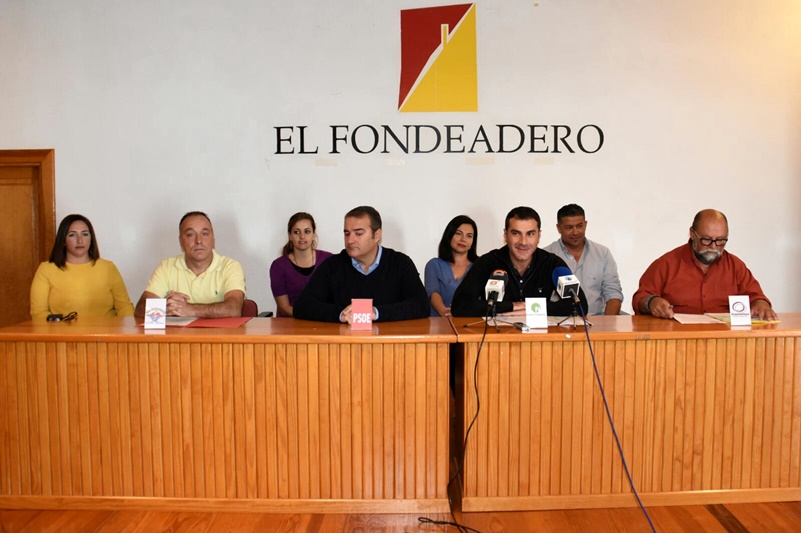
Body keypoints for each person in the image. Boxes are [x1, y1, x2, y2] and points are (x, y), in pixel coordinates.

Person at [632, 209, 777, 320]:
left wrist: (761, 304)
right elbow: (641, 297)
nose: (713, 246)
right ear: (692, 234)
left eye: (720, 241)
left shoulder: (735, 266)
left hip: (725, 339)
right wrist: (652, 302)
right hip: (678, 338)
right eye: (707, 240)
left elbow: (756, 296)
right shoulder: (667, 264)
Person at [293, 206, 429, 323]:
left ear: (377, 235)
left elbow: (421, 305)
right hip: (344, 343)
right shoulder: (332, 265)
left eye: (358, 234)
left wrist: (375, 313)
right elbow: (302, 306)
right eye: (347, 234)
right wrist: (341, 314)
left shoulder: (400, 263)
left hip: (388, 342)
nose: (350, 240)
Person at [451, 206, 587, 317]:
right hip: (497, 338)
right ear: (505, 235)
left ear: (539, 236)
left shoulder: (551, 263)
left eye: (530, 234)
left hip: (539, 338)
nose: (523, 242)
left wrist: (533, 309)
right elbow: (460, 305)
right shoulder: (488, 262)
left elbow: (580, 305)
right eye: (516, 233)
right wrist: (511, 306)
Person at [134, 211, 246, 318]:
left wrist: (190, 310)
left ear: (213, 239)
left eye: (205, 234)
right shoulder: (166, 267)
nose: (199, 241)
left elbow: (234, 309)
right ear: (181, 241)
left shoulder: (230, 266)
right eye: (190, 235)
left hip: (221, 332)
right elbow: (139, 309)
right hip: (179, 332)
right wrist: (167, 306)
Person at [30, 214, 134, 319]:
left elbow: (124, 307)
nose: (80, 240)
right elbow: (39, 313)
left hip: (105, 329)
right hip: (61, 329)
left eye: (85, 234)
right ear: (63, 241)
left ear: (91, 239)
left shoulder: (108, 268)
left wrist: (125, 327)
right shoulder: (46, 270)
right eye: (72, 235)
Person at [543, 204, 623, 315]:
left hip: (596, 320)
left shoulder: (602, 253)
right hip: (558, 322)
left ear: (585, 225)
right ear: (559, 228)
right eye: (569, 227)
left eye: (579, 226)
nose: (575, 232)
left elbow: (613, 293)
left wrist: (607, 322)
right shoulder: (546, 256)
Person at [269, 212, 332, 317]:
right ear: (290, 236)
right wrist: (309, 316)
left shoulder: (328, 260)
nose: (302, 236)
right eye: (296, 232)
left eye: (307, 232)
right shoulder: (278, 266)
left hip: (322, 321)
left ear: (314, 234)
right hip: (289, 323)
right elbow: (284, 308)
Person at [424, 215, 478, 317]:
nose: (463, 239)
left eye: (469, 236)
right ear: (449, 235)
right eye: (458, 233)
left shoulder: (479, 267)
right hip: (438, 323)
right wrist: (445, 312)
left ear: (473, 242)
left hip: (467, 323)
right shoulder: (434, 265)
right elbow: (433, 292)